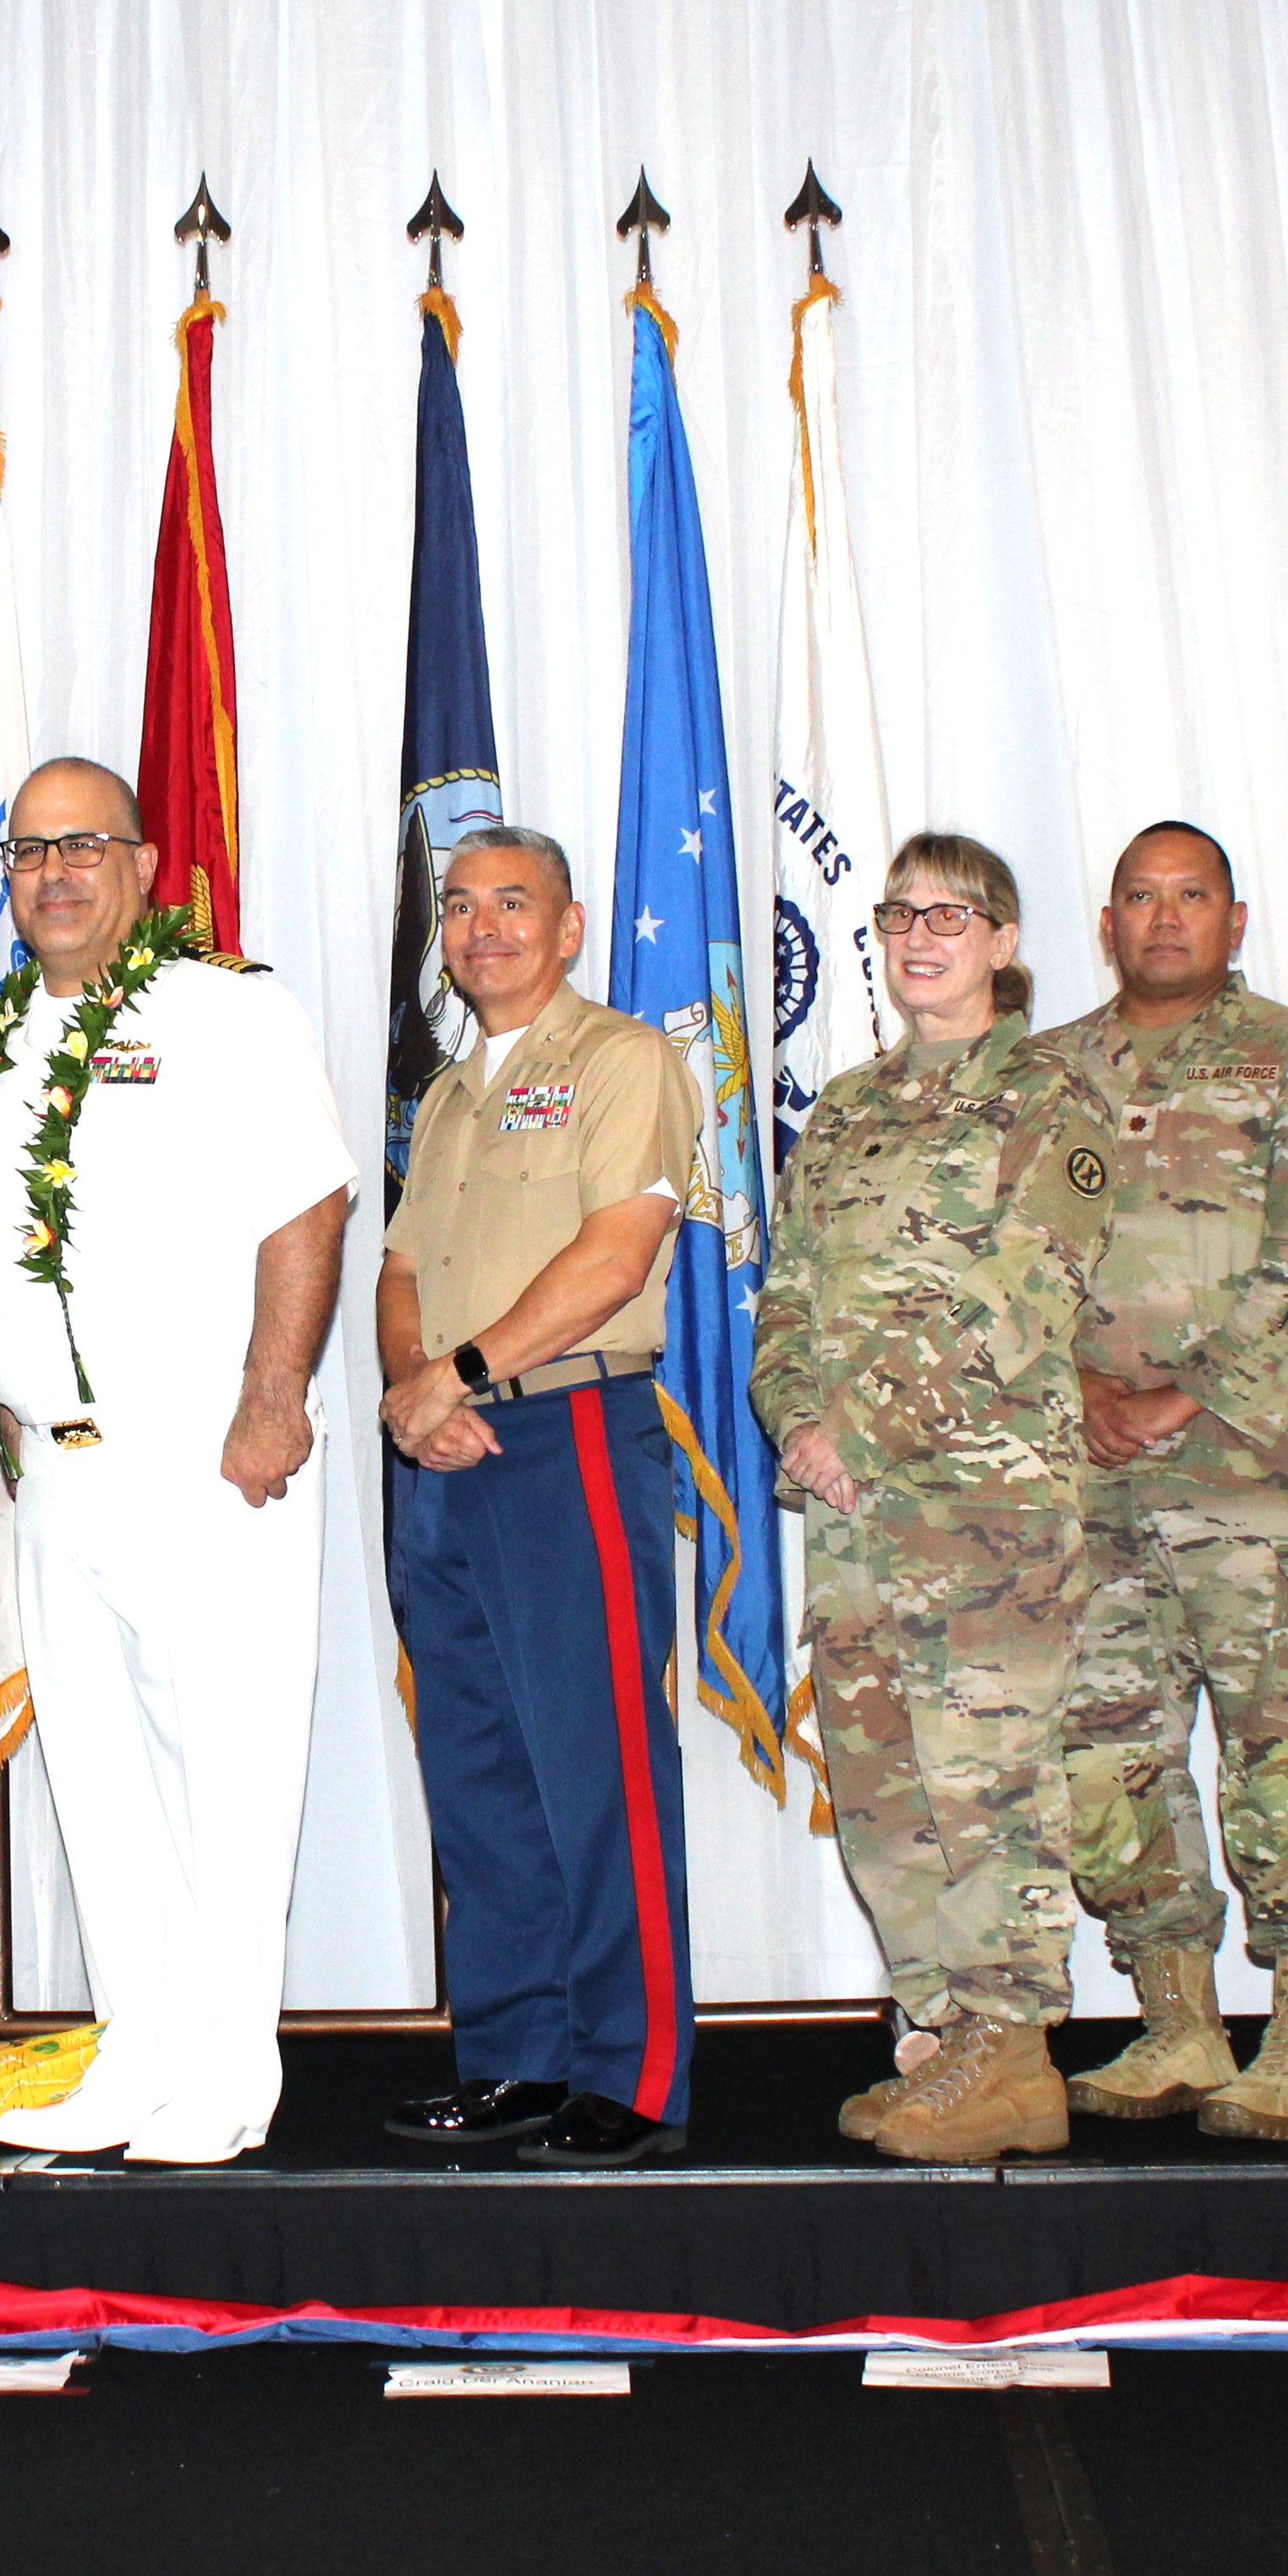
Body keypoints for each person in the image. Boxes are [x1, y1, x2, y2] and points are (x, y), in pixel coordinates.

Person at [0, 758, 352, 2164]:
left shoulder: (223, 1010)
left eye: (83, 846)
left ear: (143, 863)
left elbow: (308, 1203)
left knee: (223, 1773)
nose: (53, 875)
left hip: (203, 1455)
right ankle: (139, 2054)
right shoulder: (4, 1039)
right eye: (28, 853)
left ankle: (228, 2079)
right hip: (57, 1472)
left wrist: (272, 1395)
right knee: (102, 1785)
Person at [1034, 825, 1288, 2146]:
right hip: (1089, 1483)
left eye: (1192, 896)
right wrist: (1079, 1390)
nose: (1165, 918)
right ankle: (1178, 2022)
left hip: (1253, 1479)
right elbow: (1001, 1265)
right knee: (1107, 1757)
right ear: (1108, 921)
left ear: (1235, 920)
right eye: (1141, 897)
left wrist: (1177, 1398)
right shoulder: (1042, 1076)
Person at [755, 835, 1113, 2161]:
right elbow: (788, 1290)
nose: (919, 937)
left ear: (1003, 943)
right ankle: (948, 2037)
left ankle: (1016, 2058)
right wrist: (800, 1418)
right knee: (886, 1786)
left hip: (983, 1513)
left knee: (985, 1783)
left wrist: (861, 1429)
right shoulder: (848, 1109)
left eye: (950, 915)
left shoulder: (1054, 1098)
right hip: (855, 1517)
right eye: (900, 914)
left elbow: (1024, 1296)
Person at [370, 827, 703, 2168]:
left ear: (570, 928)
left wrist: (456, 1375)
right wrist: (419, 1390)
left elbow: (618, 1254)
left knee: (597, 1766)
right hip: (446, 1455)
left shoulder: (624, 1061)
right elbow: (400, 1270)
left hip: (569, 1434)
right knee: (480, 1773)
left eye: (515, 903)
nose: (484, 927)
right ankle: (518, 2057)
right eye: (461, 907)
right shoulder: (452, 1093)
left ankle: (632, 2075)